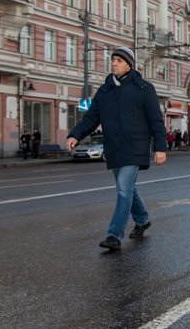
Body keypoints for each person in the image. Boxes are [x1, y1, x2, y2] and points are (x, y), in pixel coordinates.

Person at [66, 46, 166, 250]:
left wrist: (160, 147)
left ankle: (114, 235)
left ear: (129, 64)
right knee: (128, 189)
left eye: (119, 60)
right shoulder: (105, 91)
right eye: (113, 60)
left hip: (135, 146)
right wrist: (75, 134)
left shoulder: (144, 88)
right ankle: (142, 220)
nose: (114, 63)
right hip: (114, 148)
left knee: (123, 189)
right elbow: (92, 117)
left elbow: (156, 120)